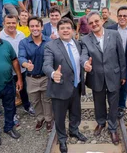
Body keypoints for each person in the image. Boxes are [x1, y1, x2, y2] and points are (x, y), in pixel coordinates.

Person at [80, 11, 126, 145]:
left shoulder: (114, 34)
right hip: (96, 77)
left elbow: (121, 56)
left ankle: (112, 128)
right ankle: (101, 122)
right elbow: (83, 55)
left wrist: (123, 75)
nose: (94, 24)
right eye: (91, 23)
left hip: (114, 75)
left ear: (102, 21)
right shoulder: (85, 39)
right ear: (88, 25)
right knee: (98, 102)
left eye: (96, 21)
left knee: (113, 104)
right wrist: (85, 63)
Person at [43, 18, 87, 153]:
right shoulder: (51, 46)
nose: (65, 31)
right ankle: (62, 138)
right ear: (58, 31)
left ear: (73, 30)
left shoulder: (77, 44)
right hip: (60, 87)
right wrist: (52, 74)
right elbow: (46, 65)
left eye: (68, 28)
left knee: (76, 112)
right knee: (60, 116)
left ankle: (74, 130)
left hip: (76, 86)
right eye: (62, 28)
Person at [19, 16, 53, 132]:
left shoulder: (49, 41)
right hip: (31, 77)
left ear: (42, 27)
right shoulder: (23, 42)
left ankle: (48, 119)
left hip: (45, 77)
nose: (35, 28)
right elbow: (21, 57)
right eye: (32, 26)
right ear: (29, 28)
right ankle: (40, 118)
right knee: (35, 100)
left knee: (47, 99)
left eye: (37, 26)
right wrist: (25, 64)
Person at [0, 14, 35, 119]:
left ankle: (27, 106)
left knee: (23, 89)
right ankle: (12, 113)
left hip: (21, 68)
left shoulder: (21, 34)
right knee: (9, 93)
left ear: (16, 22)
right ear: (3, 23)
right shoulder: (0, 37)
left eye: (13, 22)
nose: (11, 25)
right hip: (7, 71)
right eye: (8, 23)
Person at [107, 6, 127, 118]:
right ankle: (112, 105)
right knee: (113, 85)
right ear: (117, 16)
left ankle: (121, 106)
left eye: (125, 16)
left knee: (124, 85)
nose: (122, 18)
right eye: (120, 15)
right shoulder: (110, 29)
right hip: (113, 63)